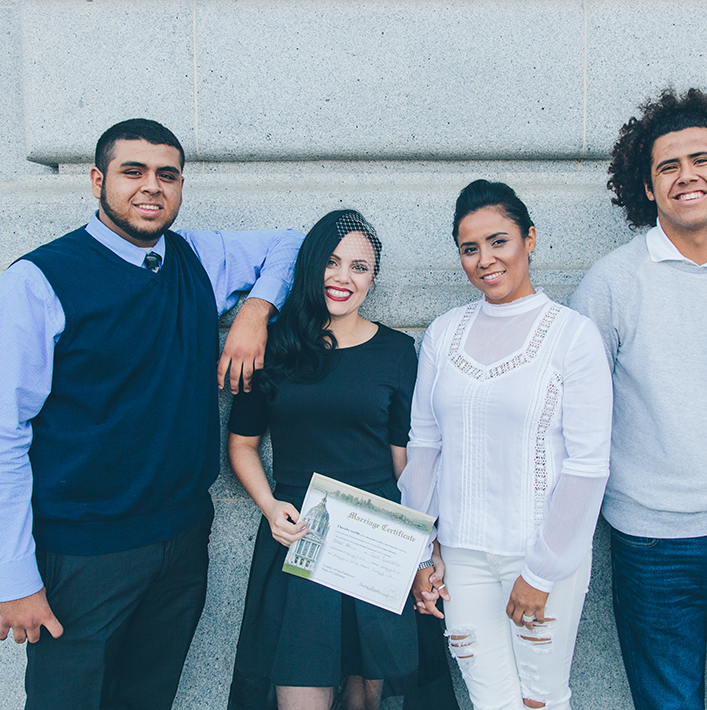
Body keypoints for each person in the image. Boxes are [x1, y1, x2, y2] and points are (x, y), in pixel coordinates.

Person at [0, 118, 303, 709]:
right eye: (132, 171)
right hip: (81, 554)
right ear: (96, 180)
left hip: (181, 540)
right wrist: (14, 576)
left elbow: (290, 242)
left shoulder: (195, 257)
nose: (151, 187)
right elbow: (4, 435)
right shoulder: (39, 281)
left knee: (148, 699)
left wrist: (255, 311)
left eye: (167, 175)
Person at [570, 88, 707, 710]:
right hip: (652, 543)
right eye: (667, 166)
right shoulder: (612, 284)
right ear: (647, 188)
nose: (685, 176)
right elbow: (573, 408)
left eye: (701, 160)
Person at [226, 209, 456, 710]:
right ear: (312, 266)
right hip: (301, 540)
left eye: (360, 266)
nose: (343, 277)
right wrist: (270, 507)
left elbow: (407, 465)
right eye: (332, 262)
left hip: (374, 544)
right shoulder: (276, 345)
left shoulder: (397, 352)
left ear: (373, 278)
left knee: (364, 702)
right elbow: (242, 445)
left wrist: (428, 549)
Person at [399, 180, 613, 710]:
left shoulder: (572, 335)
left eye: (499, 241)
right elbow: (424, 446)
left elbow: (588, 467)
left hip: (541, 555)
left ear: (530, 239)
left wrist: (540, 573)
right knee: (490, 701)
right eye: (469, 249)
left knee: (541, 699)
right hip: (462, 557)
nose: (485, 260)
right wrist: (420, 550)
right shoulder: (444, 333)